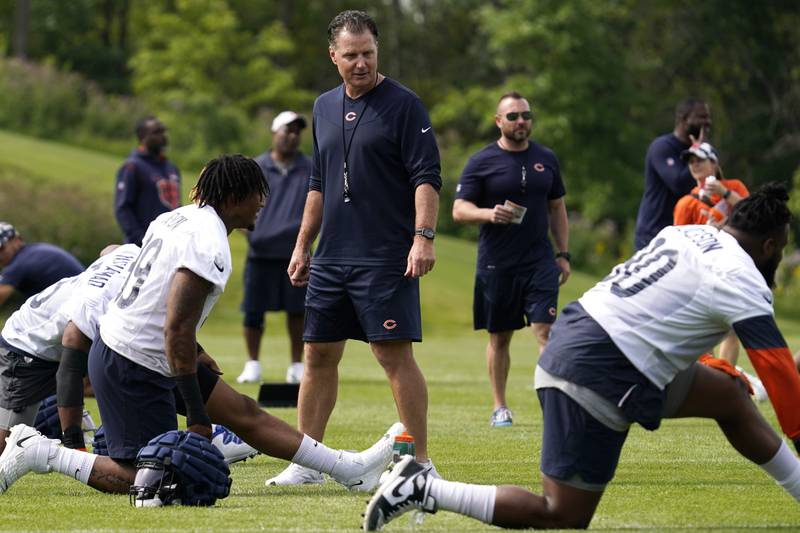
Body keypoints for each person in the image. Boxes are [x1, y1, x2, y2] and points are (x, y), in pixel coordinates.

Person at [364, 183, 800, 530]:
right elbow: (779, 373)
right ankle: (424, 489)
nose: (779, 259)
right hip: (600, 368)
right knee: (562, 514)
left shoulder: (686, 232)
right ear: (769, 246)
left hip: (583, 334)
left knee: (729, 397)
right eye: (780, 250)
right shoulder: (742, 277)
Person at [0, 155, 402, 496]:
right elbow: (175, 328)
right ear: (232, 199)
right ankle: (40, 452)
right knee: (150, 476)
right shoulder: (207, 243)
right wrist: (196, 415)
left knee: (246, 413)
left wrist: (196, 354)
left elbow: (160, 306)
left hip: (147, 348)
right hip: (133, 360)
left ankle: (348, 469)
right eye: (255, 194)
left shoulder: (179, 217)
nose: (262, 201)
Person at [269, 10, 442, 486]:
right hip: (331, 258)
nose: (361, 63)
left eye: (368, 53)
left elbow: (427, 178)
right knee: (317, 356)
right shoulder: (323, 106)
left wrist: (422, 238)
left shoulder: (406, 106)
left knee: (393, 356)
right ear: (333, 57)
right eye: (351, 55)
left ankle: (420, 463)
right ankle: (309, 463)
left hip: (386, 256)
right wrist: (303, 245)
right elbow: (318, 184)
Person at [452, 92, 569, 427]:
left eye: (526, 116)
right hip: (497, 263)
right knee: (500, 336)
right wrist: (490, 214)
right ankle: (499, 406)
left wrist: (562, 254)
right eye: (514, 116)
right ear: (498, 121)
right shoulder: (481, 161)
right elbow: (459, 210)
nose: (521, 122)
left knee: (545, 330)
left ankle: (554, 403)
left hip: (539, 261)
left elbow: (557, 207)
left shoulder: (546, 158)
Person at [0, 244, 139, 454]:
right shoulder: (100, 300)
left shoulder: (133, 252)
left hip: (56, 328)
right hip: (27, 345)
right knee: (7, 446)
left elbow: (109, 249)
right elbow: (70, 369)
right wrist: (75, 444)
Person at [236, 111, 311, 385]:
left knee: (298, 311)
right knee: (254, 310)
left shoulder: (310, 167)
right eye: (286, 131)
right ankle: (253, 364)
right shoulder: (256, 167)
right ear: (274, 133)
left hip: (296, 251)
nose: (292, 136)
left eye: (296, 132)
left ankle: (296, 365)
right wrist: (250, 232)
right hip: (261, 251)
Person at [673, 141, 754, 374]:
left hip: (733, 267)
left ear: (714, 163)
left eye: (700, 160)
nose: (694, 165)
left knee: (731, 329)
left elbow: (752, 215)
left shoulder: (734, 187)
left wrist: (724, 193)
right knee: (698, 328)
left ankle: (725, 378)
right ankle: (705, 376)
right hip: (701, 271)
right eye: (691, 161)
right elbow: (680, 241)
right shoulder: (686, 202)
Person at [634, 98, 712, 250]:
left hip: (685, 237)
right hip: (654, 235)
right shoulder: (662, 147)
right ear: (683, 119)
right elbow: (678, 184)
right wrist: (698, 150)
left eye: (708, 117)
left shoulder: (706, 152)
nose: (707, 122)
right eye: (701, 117)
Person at [114, 116, 181, 246]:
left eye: (163, 131)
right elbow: (123, 209)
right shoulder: (132, 167)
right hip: (141, 246)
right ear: (142, 137)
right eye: (157, 132)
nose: (162, 136)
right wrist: (142, 239)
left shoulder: (172, 169)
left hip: (168, 245)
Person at [0, 222, 83, 309]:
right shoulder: (34, 251)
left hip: (79, 306)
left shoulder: (20, 263)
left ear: (16, 240)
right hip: (82, 303)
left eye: (1, 248)